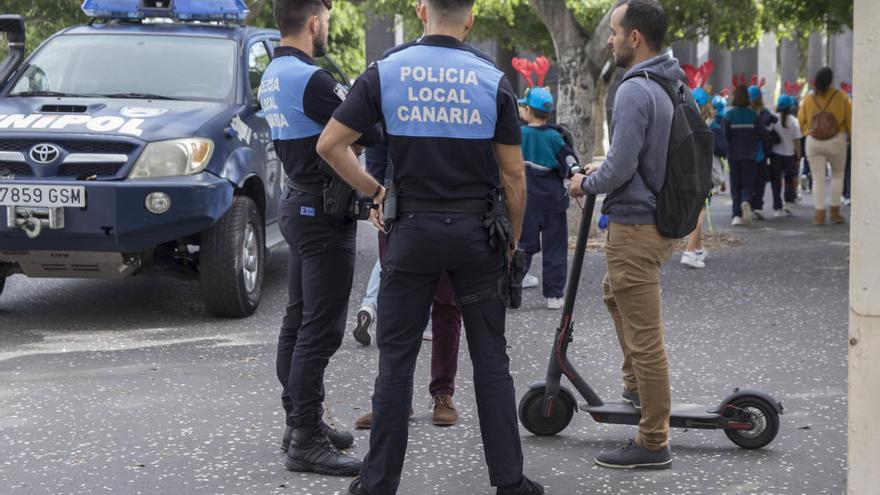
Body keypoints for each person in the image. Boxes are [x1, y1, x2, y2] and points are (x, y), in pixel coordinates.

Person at [316, 0, 541, 493]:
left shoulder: (386, 71)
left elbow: (330, 144)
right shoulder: (492, 79)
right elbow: (515, 177)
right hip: (476, 235)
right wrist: (513, 240)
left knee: (395, 363)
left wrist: (377, 191)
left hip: (411, 232)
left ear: (421, 11)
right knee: (491, 362)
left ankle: (376, 484)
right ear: (472, 16)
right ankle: (510, 482)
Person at [259, 0, 383, 476]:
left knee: (297, 319)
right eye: (326, 20)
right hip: (321, 211)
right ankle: (306, 438)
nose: (327, 27)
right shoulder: (312, 79)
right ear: (314, 23)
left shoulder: (274, 73)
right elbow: (368, 129)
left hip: (299, 202)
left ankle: (299, 422)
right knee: (321, 328)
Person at [569, 0, 682, 470]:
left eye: (614, 32)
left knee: (645, 337)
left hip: (636, 226)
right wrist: (607, 169)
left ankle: (654, 439)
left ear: (635, 37)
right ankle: (636, 387)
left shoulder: (634, 89)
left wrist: (584, 182)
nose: (610, 40)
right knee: (614, 295)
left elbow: (621, 167)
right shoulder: (667, 80)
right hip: (654, 218)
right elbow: (638, 156)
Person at [353, 137, 463, 428]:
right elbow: (376, 142)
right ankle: (393, 398)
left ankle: (443, 392)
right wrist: (374, 196)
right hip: (397, 207)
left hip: (450, 207)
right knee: (395, 306)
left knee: (446, 303)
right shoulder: (390, 92)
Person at [517, 87, 571, 309]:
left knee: (522, 246)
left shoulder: (518, 134)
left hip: (527, 201)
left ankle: (514, 284)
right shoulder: (555, 136)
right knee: (555, 248)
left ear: (528, 110)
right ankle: (554, 295)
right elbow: (568, 164)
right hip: (553, 202)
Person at [798, 67, 852, 225]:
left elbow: (801, 120)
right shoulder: (840, 96)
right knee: (837, 176)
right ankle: (834, 213)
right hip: (837, 140)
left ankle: (819, 214)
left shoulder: (809, 99)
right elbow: (850, 119)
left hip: (813, 142)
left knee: (817, 179)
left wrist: (809, 132)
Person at [680, 87, 717, 269]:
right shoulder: (706, 125)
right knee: (699, 212)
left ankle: (698, 248)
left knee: (697, 210)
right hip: (701, 174)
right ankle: (689, 251)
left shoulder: (682, 120)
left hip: (686, 172)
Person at [723, 85, 768, 226]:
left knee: (735, 185)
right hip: (750, 155)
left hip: (734, 155)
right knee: (748, 184)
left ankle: (736, 215)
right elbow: (763, 134)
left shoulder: (729, 115)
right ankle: (746, 201)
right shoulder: (753, 115)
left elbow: (725, 136)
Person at [769, 95, 802, 217]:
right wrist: (798, 156)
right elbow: (797, 141)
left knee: (776, 182)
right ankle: (788, 203)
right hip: (790, 155)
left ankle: (777, 207)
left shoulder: (773, 119)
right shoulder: (794, 121)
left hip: (775, 155)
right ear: (790, 107)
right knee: (789, 180)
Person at [749, 85, 778, 220]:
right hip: (761, 152)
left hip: (746, 153)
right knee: (760, 181)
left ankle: (748, 204)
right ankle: (758, 206)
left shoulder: (744, 112)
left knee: (748, 181)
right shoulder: (765, 113)